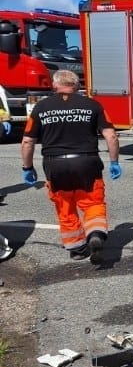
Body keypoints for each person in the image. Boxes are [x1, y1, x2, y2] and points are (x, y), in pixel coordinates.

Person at [20, 70, 121, 263]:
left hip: (55, 164)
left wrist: (27, 167)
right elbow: (111, 136)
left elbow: (27, 141)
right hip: (87, 163)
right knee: (93, 203)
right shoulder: (92, 105)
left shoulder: (41, 107)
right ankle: (95, 234)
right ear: (76, 87)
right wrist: (114, 162)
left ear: (54, 85)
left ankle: (76, 248)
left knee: (65, 206)